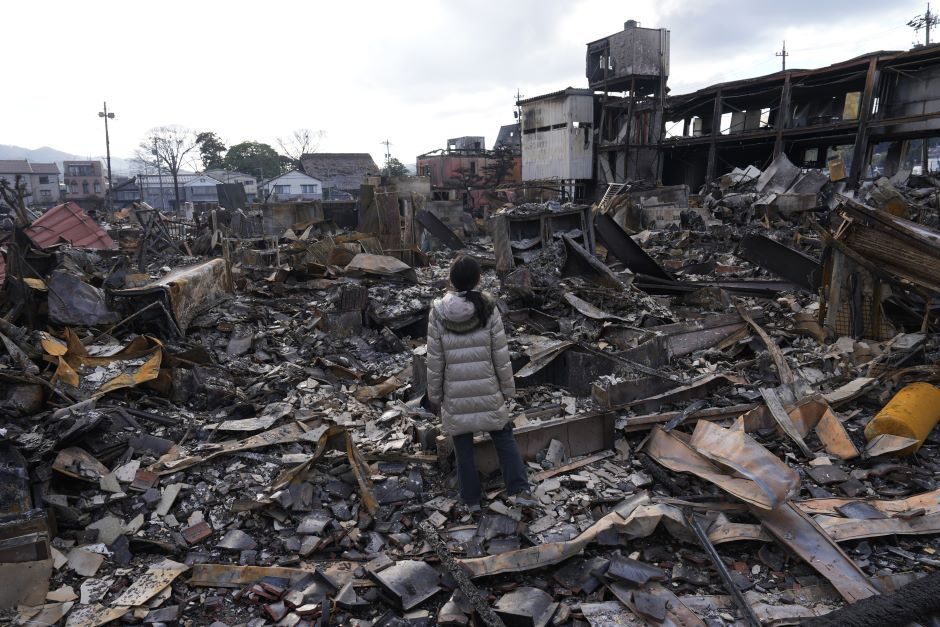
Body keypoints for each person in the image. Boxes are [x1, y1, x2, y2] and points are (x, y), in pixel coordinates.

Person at [426, 255, 531, 512]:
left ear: (451, 280)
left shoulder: (438, 312)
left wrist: (435, 396)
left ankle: (471, 501)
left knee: (463, 449)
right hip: (488, 389)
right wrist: (508, 390)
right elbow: (501, 355)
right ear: (477, 279)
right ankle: (519, 490)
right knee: (503, 438)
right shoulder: (488, 307)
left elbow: (434, 360)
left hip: (456, 393)